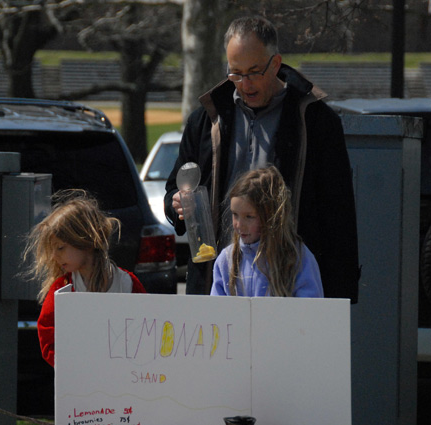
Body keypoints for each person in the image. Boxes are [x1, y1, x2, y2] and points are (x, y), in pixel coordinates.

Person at [164, 15, 359, 302]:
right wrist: (176, 203)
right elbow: (174, 191)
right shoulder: (205, 120)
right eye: (235, 73)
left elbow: (338, 213)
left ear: (276, 64)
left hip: (288, 285)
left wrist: (340, 294)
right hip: (217, 281)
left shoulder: (316, 121)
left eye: (255, 72)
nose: (245, 84)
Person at [24, 189, 145, 367]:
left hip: (123, 379)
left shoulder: (127, 283)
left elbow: (146, 330)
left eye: (60, 248)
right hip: (80, 385)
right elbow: (48, 338)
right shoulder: (61, 289)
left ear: (85, 241)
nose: (54, 257)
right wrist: (71, 368)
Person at [211, 166, 323, 298]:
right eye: (235, 214)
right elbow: (217, 312)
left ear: (271, 217)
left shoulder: (297, 257)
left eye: (249, 216)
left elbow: (311, 309)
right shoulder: (226, 260)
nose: (239, 224)